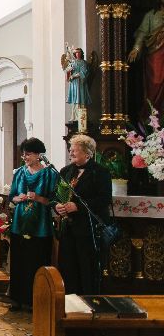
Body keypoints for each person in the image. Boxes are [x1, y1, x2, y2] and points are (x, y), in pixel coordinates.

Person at [56, 134, 112, 295]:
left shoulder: (100, 172)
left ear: (88, 153)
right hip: (68, 228)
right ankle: (70, 301)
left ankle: (88, 302)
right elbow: (57, 195)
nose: (71, 153)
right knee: (68, 266)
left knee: (87, 267)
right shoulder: (66, 171)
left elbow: (104, 199)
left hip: (89, 230)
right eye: (70, 150)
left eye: (75, 150)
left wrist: (78, 206)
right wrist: (58, 206)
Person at [8, 137, 57, 311]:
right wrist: (17, 198)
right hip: (20, 223)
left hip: (40, 225)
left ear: (38, 155)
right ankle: (17, 298)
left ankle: (34, 299)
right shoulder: (19, 172)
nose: (25, 157)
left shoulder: (50, 173)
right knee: (19, 261)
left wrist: (38, 198)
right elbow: (11, 196)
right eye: (23, 154)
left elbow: (54, 200)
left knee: (36, 261)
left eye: (28, 154)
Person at [128, 0, 164, 113]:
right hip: (156, 53)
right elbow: (142, 33)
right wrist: (136, 48)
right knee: (156, 82)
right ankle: (153, 116)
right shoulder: (151, 15)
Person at [64, 46, 92, 120]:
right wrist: (68, 72)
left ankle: (81, 117)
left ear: (81, 54)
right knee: (74, 99)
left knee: (81, 97)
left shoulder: (83, 62)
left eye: (79, 53)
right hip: (74, 83)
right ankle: (74, 116)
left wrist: (75, 75)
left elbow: (84, 72)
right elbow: (67, 71)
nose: (77, 54)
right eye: (76, 53)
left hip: (80, 82)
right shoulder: (72, 62)